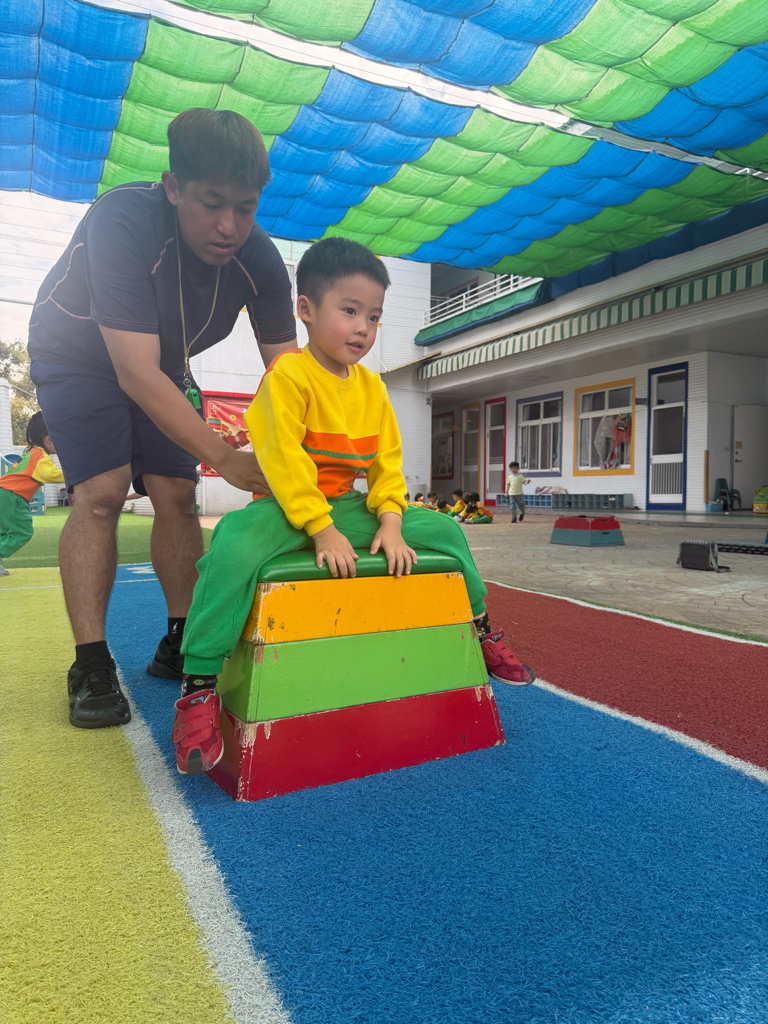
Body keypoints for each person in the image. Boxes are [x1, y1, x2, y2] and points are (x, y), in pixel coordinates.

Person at [172, 237, 535, 775]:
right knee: (232, 543)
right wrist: (321, 530)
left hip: (346, 504)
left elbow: (387, 464)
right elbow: (284, 461)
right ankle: (199, 685)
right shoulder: (286, 377)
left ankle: (481, 630)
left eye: (374, 316)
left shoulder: (372, 388)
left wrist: (391, 522)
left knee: (445, 532)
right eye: (349, 311)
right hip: (285, 507)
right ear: (306, 310)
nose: (363, 328)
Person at [28, 108, 297, 729]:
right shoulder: (123, 219)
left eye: (246, 208)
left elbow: (290, 377)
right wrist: (227, 457)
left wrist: (320, 450)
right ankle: (91, 662)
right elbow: (133, 372)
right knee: (102, 492)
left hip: (163, 359)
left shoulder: (260, 260)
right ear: (173, 187)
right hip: (77, 353)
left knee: (177, 491)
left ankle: (181, 638)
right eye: (212, 203)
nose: (229, 226)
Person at [0, 412, 65, 576]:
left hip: (4, 492)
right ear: (49, 439)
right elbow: (49, 474)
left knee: (4, 531)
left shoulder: (30, 451)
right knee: (22, 532)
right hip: (13, 495)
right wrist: (76, 475)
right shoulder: (40, 456)